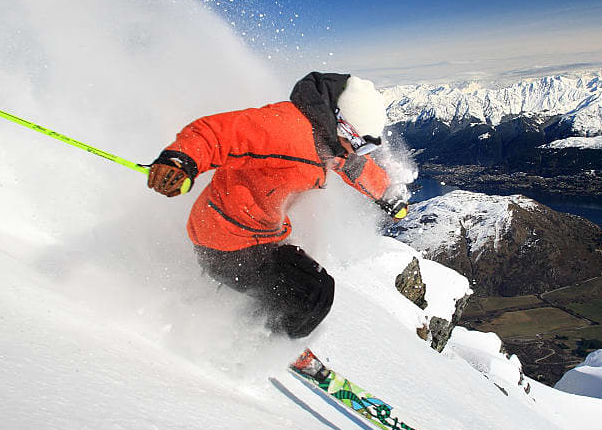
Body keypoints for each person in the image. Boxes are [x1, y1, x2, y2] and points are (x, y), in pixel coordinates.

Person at [146, 72, 408, 339]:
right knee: (312, 296)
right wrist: (180, 160)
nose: (357, 152)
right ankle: (256, 342)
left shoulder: (332, 143)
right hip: (226, 241)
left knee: (314, 289)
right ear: (342, 125)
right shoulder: (284, 129)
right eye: (360, 145)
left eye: (366, 148)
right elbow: (217, 133)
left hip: (261, 235)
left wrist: (387, 195)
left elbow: (355, 166)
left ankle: (264, 329)